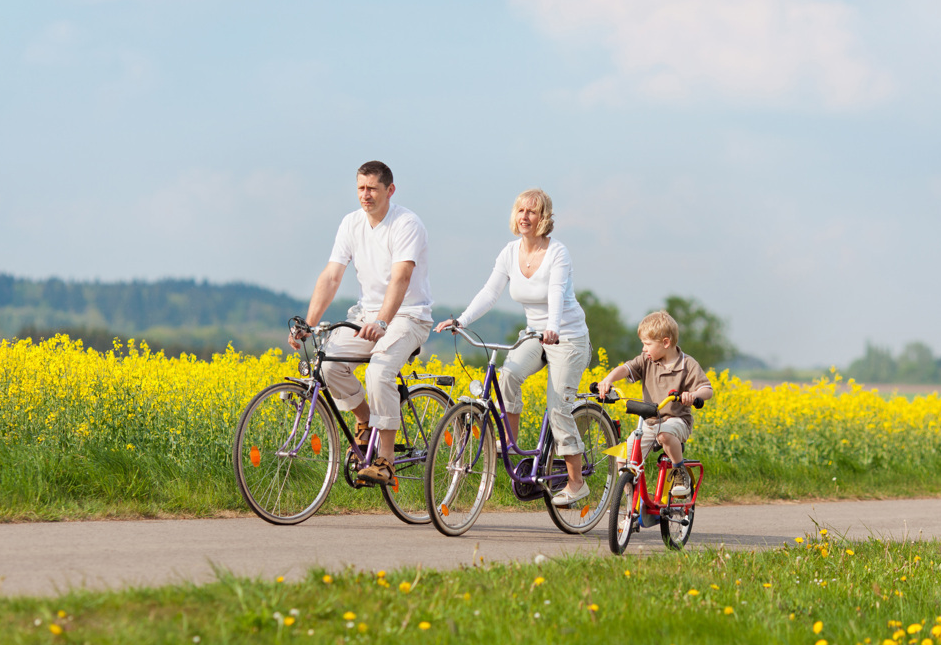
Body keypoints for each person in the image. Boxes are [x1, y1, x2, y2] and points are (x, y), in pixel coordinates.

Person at [434, 188, 592, 507]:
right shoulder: (509, 252)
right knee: (507, 375)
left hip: (568, 336)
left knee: (558, 405)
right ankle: (511, 447)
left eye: (532, 212)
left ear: (544, 217)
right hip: (535, 334)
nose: (525, 217)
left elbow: (556, 295)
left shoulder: (557, 252)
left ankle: (577, 483)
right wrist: (461, 320)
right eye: (520, 210)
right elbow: (490, 292)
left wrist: (553, 327)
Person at [288, 161, 433, 485]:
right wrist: (309, 324)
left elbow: (402, 276)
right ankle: (365, 421)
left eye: (372, 189)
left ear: (389, 190)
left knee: (379, 371)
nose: (365, 195)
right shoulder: (351, 224)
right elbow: (332, 276)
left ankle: (386, 461)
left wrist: (383, 321)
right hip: (366, 315)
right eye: (360, 189)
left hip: (409, 314)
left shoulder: (406, 223)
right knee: (327, 367)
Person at [593, 310, 713, 497]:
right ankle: (632, 504)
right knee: (623, 456)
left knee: (665, 435)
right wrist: (608, 380)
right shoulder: (646, 361)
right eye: (643, 344)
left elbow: (707, 389)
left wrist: (692, 395)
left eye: (647, 344)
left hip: (677, 421)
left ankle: (679, 473)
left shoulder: (687, 364)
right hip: (649, 423)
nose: (644, 349)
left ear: (665, 343)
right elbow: (625, 369)